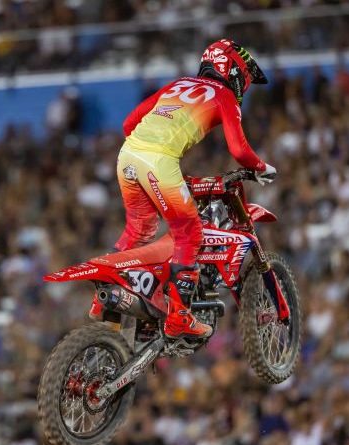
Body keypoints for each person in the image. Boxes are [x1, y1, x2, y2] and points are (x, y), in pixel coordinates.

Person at [89, 39, 277, 338]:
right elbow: (239, 151)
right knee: (189, 233)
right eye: (245, 77)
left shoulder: (178, 85)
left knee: (139, 229)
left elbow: (128, 124)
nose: (245, 85)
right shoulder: (224, 96)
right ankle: (179, 316)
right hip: (158, 161)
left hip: (128, 155)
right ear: (234, 70)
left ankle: (106, 297)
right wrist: (261, 167)